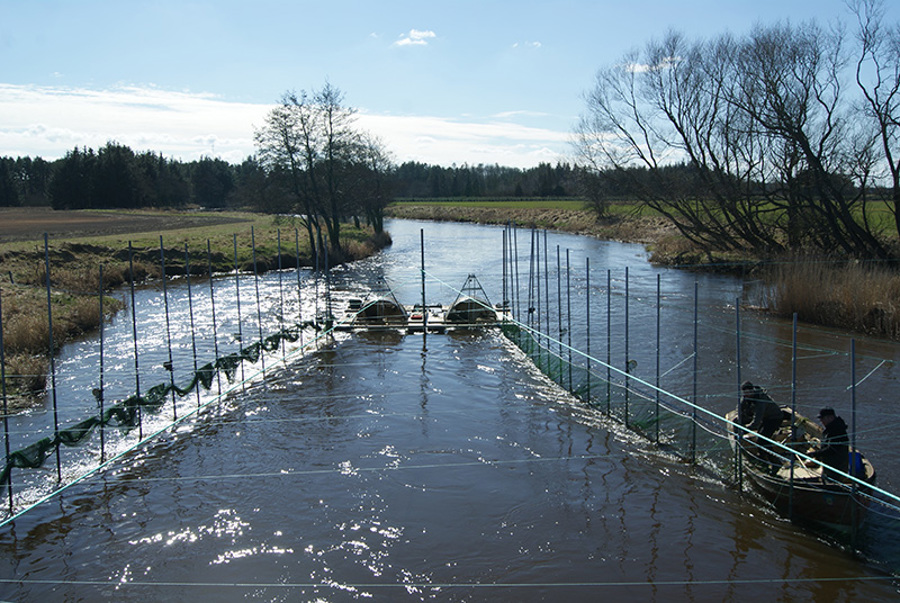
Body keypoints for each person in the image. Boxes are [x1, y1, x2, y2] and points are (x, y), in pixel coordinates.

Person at [809, 407, 849, 478]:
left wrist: (814, 454)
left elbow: (831, 450)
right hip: (829, 465)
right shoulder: (830, 429)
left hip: (836, 468)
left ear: (830, 417)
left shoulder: (837, 430)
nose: (821, 421)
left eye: (823, 418)